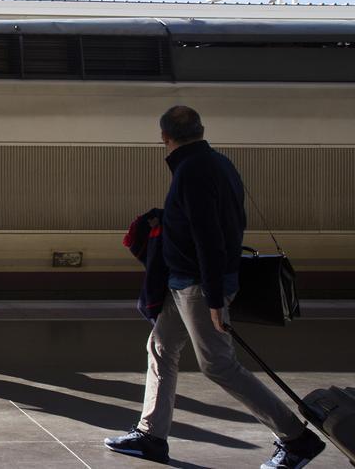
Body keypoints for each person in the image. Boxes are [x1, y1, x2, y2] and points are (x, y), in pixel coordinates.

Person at [105, 106, 326, 468]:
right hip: (183, 283)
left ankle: (297, 438)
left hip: (197, 285)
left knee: (219, 365)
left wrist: (213, 295)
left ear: (164, 137)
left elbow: (210, 236)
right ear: (201, 129)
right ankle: (151, 437)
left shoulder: (192, 170)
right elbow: (218, 221)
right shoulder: (218, 163)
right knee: (160, 348)